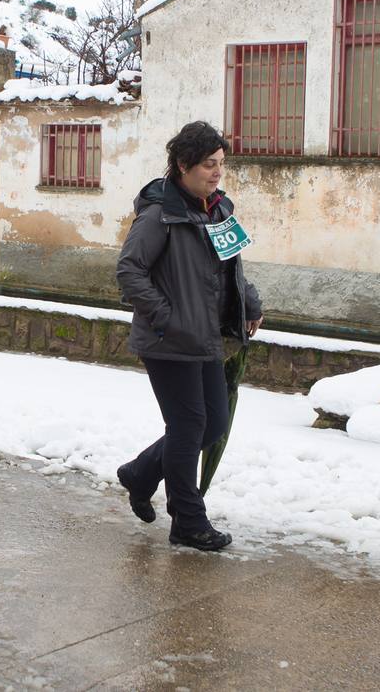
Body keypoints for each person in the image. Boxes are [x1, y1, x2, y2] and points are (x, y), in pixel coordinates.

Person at [115, 121, 264, 552]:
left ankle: (141, 474)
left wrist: (250, 304)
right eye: (207, 165)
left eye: (220, 164)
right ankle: (187, 519)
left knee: (212, 422)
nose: (217, 173)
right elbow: (129, 271)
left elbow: (231, 266)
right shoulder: (160, 212)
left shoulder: (218, 208)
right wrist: (167, 316)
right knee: (189, 424)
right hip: (169, 340)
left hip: (206, 337)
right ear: (183, 165)